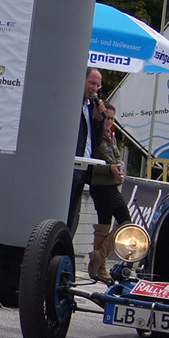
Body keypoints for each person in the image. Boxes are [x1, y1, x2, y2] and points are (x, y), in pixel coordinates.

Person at [87, 103, 132, 279]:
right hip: (101, 186)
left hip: (111, 185)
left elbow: (117, 158)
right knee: (125, 222)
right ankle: (100, 257)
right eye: (107, 117)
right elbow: (92, 164)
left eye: (112, 119)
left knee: (104, 225)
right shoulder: (96, 135)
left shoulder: (110, 135)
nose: (109, 121)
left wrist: (118, 166)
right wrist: (110, 168)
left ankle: (99, 266)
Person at [69, 67, 105, 234]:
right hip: (71, 166)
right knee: (66, 209)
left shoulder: (91, 108)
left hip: (83, 168)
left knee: (73, 213)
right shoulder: (72, 103)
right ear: (82, 80)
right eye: (92, 83)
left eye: (98, 85)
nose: (94, 89)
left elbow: (96, 141)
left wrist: (98, 119)